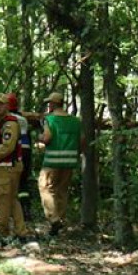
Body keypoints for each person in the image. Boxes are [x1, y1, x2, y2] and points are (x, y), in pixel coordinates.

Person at [0, 93, 28, 241]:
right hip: (5, 167)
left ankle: (4, 235)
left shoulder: (9, 124)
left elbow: (7, 147)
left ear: (7, 106)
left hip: (7, 168)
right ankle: (21, 234)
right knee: (12, 200)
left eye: (1, 104)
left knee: (2, 201)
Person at [38, 91, 83, 236]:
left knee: (45, 188)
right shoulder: (76, 121)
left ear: (52, 104)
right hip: (69, 161)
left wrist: (39, 137)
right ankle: (60, 221)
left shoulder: (50, 119)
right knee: (62, 191)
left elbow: (47, 137)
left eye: (49, 103)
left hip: (52, 161)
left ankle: (54, 218)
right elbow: (82, 141)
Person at [6, 93, 33, 222]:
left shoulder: (7, 119)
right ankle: (26, 209)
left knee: (10, 180)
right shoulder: (23, 119)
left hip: (15, 151)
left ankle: (12, 210)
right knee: (23, 182)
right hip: (26, 151)